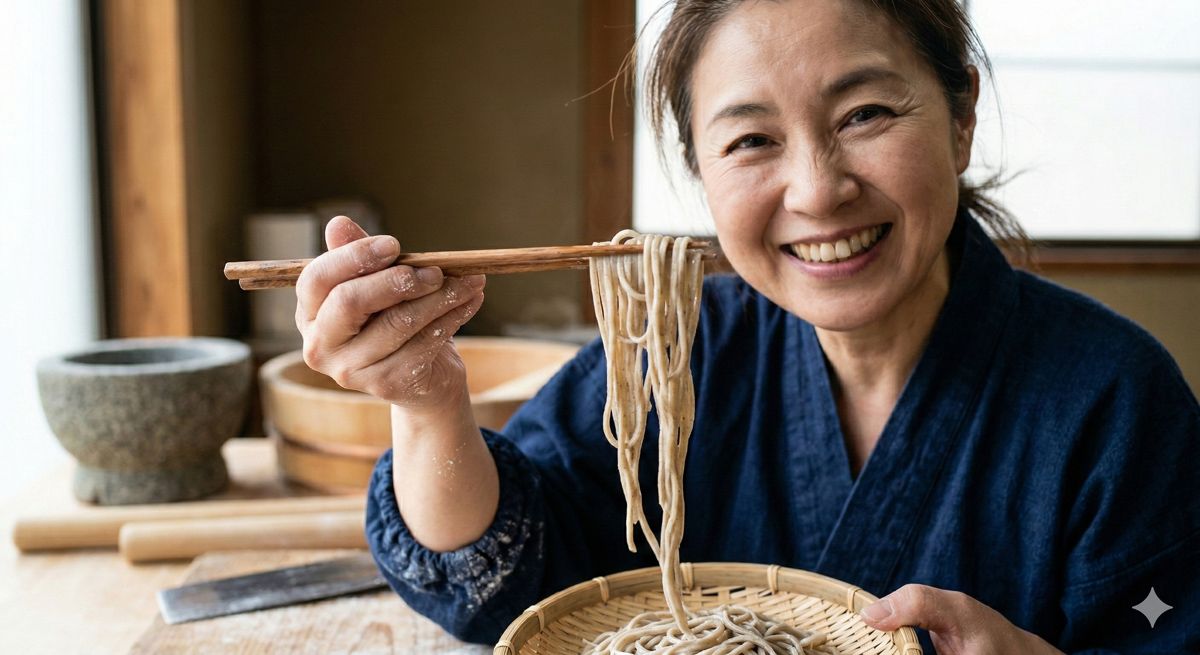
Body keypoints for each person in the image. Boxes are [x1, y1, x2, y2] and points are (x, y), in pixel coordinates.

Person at [294, 0, 1200, 652]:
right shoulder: (677, 350)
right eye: (752, 140)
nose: (818, 191)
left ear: (961, 117)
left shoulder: (1114, 400)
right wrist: (427, 403)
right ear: (700, 169)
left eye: (865, 114)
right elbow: (509, 568)